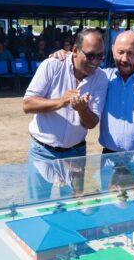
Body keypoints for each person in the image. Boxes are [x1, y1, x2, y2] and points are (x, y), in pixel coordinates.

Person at [23, 29, 108, 199]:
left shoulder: (101, 78)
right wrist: (60, 102)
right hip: (43, 151)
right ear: (75, 51)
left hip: (75, 153)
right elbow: (27, 104)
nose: (96, 62)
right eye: (91, 55)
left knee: (72, 206)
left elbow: (91, 123)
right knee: (37, 205)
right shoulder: (53, 65)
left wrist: (82, 109)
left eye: (100, 56)